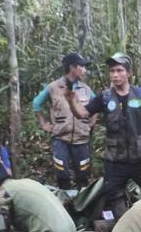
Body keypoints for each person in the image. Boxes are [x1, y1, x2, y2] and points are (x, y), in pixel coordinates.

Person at [66, 52, 141, 218]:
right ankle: (125, 225)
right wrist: (71, 100)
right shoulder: (105, 97)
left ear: (129, 73)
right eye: (112, 71)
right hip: (115, 159)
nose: (115, 75)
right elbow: (83, 114)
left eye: (119, 70)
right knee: (114, 195)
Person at [32, 52, 96, 189]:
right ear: (72, 67)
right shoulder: (53, 87)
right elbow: (36, 104)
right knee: (62, 174)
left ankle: (82, 205)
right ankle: (64, 202)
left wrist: (91, 123)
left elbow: (96, 105)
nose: (85, 70)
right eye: (82, 67)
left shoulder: (86, 89)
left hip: (81, 139)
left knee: (83, 175)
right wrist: (43, 123)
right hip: (60, 138)